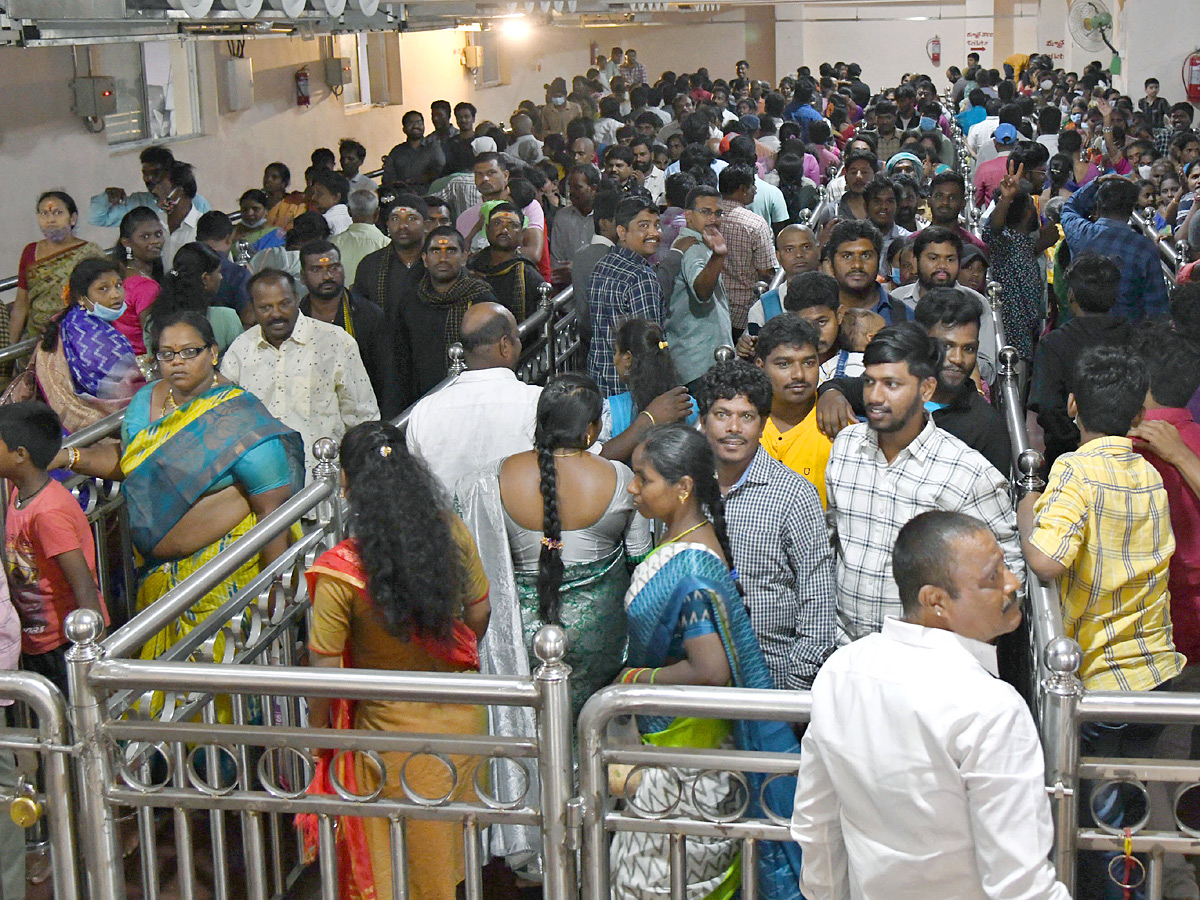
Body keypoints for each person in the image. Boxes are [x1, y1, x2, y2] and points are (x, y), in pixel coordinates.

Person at [791, 510, 1070, 900]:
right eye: (993, 577)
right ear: (935, 601)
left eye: (1007, 566)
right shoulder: (991, 707)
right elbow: (1019, 884)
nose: (1013, 583)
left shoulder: (842, 670)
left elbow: (815, 827)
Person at [1018, 345, 1183, 899]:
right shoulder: (1150, 474)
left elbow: (1046, 559)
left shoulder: (1074, 469)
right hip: (1154, 672)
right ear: (1140, 415)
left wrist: (1027, 511)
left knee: (1098, 816)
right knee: (1130, 801)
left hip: (1101, 677)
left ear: (1070, 406)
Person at [613, 422, 802, 900]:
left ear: (682, 489)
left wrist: (637, 677)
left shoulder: (693, 566)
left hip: (688, 764)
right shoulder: (688, 544)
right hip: (679, 749)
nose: (633, 488)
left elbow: (711, 670)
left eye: (644, 478)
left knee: (651, 880)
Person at [305, 421, 489, 900]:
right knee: (446, 868)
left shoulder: (341, 573)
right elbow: (480, 610)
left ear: (346, 483)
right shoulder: (450, 533)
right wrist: (453, 659)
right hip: (464, 727)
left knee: (393, 874)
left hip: (389, 743)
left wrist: (318, 742)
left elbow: (325, 676)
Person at [54, 310, 303, 664]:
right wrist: (69, 457)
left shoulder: (237, 416)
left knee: (220, 687)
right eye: (166, 354)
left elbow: (272, 509)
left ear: (213, 353)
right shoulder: (146, 402)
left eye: (190, 352)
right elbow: (132, 464)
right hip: (159, 580)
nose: (177, 362)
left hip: (224, 578)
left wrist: (276, 596)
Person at [465, 372, 651, 723]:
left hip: (525, 640)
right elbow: (639, 562)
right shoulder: (623, 479)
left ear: (541, 423)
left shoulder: (490, 480)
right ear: (592, 429)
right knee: (592, 729)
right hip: (603, 641)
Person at [826, 323, 1022, 643]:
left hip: (929, 662)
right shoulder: (846, 447)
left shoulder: (966, 473)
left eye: (892, 384)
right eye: (869, 382)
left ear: (926, 390)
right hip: (847, 648)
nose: (875, 397)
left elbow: (1009, 578)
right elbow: (833, 540)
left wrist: (965, 650)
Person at [695, 361, 836, 690]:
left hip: (772, 676)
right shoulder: (685, 487)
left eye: (746, 416)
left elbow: (816, 593)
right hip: (696, 677)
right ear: (703, 422)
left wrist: (797, 682)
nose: (733, 427)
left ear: (763, 425)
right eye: (722, 414)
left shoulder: (794, 495)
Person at [0, 402, 108, 694]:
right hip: (39, 640)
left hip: (65, 643)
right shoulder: (19, 493)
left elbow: (83, 583)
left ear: (20, 455)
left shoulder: (48, 512)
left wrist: (93, 650)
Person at [221, 270, 379, 462]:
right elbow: (227, 420)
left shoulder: (335, 342)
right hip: (263, 480)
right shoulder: (240, 349)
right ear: (252, 309)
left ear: (296, 299)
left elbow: (362, 416)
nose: (276, 314)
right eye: (265, 308)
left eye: (284, 304)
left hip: (325, 478)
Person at [405, 303, 539, 491]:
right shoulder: (536, 402)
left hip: (448, 520)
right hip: (520, 519)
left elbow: (419, 484)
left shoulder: (423, 411)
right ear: (505, 345)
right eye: (516, 338)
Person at [1029, 254, 1133, 468]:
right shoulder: (1137, 339)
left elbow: (1048, 407)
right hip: (1128, 454)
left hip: (1068, 458)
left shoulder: (1054, 344)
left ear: (1071, 295)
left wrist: (1079, 441)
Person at [24, 259, 144, 434]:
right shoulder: (90, 335)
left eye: (118, 285)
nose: (116, 294)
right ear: (81, 297)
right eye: (103, 289)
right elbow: (123, 391)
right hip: (98, 426)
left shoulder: (75, 320)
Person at [297, 241, 398, 419]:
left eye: (333, 268)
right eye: (316, 270)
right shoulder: (297, 319)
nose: (327, 276)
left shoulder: (369, 315)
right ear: (303, 276)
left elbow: (387, 378)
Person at [397, 227, 496, 404]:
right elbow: (399, 357)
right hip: (421, 401)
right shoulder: (411, 300)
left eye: (451, 251)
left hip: (474, 399)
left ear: (464, 257)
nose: (443, 258)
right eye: (436, 251)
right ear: (425, 259)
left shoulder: (481, 298)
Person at [890, 226, 996, 382]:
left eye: (950, 259)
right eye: (933, 258)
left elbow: (988, 370)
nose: (942, 266)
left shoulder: (977, 303)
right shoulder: (896, 299)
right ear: (917, 260)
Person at [1062, 174, 1169, 321]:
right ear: (1131, 210)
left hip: (1082, 330)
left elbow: (1069, 208)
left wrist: (1096, 182)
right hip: (1127, 336)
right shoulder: (1144, 248)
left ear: (1098, 207)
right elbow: (1157, 308)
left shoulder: (1080, 232)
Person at [586, 197, 663, 396]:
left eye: (656, 225)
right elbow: (648, 346)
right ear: (622, 232)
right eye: (643, 226)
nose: (654, 233)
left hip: (600, 379)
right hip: (630, 388)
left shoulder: (602, 265)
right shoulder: (641, 277)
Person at [751, 316, 832, 505]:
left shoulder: (837, 424)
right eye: (784, 364)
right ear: (761, 366)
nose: (798, 375)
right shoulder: (741, 424)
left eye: (808, 363)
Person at [596, 318, 696, 464]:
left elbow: (597, 462)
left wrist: (648, 419)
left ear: (628, 358)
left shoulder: (611, 411)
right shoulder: (689, 405)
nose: (614, 359)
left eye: (616, 351)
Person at [11, 191, 106, 345]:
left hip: (79, 337)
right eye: (44, 214)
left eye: (58, 213)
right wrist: (9, 355)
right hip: (37, 340)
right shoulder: (30, 251)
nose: (50, 219)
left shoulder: (90, 252)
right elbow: (21, 304)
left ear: (73, 218)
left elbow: (102, 298)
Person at [665, 185, 731, 389]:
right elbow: (702, 292)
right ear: (688, 215)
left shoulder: (702, 242)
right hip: (699, 363)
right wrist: (719, 255)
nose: (713, 218)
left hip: (705, 359)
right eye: (706, 212)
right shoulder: (691, 246)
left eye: (717, 213)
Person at [87, 144, 212, 229]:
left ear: (169, 174)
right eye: (145, 174)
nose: (148, 179)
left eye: (155, 173)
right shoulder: (138, 204)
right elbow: (96, 219)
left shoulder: (196, 202)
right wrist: (107, 197)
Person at [151, 243, 245, 354]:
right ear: (205, 278)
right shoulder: (226, 318)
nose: (221, 277)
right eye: (219, 272)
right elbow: (240, 361)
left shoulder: (154, 321)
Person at [717, 165, 777, 334]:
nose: (755, 190)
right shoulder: (755, 224)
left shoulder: (709, 217)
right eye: (753, 185)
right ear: (742, 189)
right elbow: (766, 270)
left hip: (715, 305)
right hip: (743, 309)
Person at [467, 201, 545, 321]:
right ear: (487, 229)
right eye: (497, 223)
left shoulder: (528, 276)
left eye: (512, 225)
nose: (504, 230)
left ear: (522, 234)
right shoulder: (472, 265)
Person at [826, 220, 911, 325]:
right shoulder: (816, 315)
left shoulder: (905, 316)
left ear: (879, 260)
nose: (857, 265)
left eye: (866, 256)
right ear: (830, 264)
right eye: (846, 256)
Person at [113, 206, 165, 352]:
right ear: (126, 243)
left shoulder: (120, 274)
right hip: (142, 366)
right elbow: (153, 339)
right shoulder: (144, 287)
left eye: (158, 234)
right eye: (145, 236)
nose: (155, 241)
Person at [196, 212, 254, 318]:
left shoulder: (182, 267)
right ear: (229, 239)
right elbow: (248, 317)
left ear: (197, 238)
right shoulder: (238, 274)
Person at [550, 164, 600, 284]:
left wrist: (580, 268)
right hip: (567, 288)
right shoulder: (562, 217)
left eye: (577, 187)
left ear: (593, 189)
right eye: (570, 187)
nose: (571, 192)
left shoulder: (605, 218)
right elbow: (557, 260)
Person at [331, 190, 390, 285]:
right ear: (377, 213)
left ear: (349, 211)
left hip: (343, 298)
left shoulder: (333, 244)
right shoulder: (387, 245)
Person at [153, 162, 204, 271]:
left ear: (178, 192)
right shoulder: (155, 223)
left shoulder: (203, 228)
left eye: (161, 186)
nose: (155, 191)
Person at [383, 110, 446, 194]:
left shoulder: (433, 147)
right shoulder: (396, 151)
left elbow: (440, 171)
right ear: (404, 129)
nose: (415, 126)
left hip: (429, 196)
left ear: (424, 126)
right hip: (402, 197)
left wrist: (417, 180)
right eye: (410, 123)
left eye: (419, 122)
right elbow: (387, 178)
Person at [262, 162, 309, 233]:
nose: (268, 180)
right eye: (266, 176)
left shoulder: (294, 204)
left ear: (284, 183)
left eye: (274, 177)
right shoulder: (259, 203)